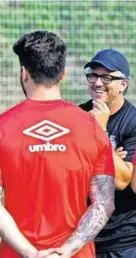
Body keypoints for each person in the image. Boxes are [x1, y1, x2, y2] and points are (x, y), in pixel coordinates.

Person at [0, 31, 115, 258]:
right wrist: (68, 249)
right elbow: (104, 204)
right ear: (63, 74)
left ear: (24, 74)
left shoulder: (0, 127)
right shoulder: (92, 128)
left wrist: (30, 252)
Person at [79, 49, 136, 258]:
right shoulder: (77, 116)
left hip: (123, 240)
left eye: (107, 77)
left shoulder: (133, 121)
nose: (97, 82)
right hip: (83, 236)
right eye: (93, 75)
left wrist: (101, 132)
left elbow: (122, 180)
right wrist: (111, 157)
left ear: (123, 84)